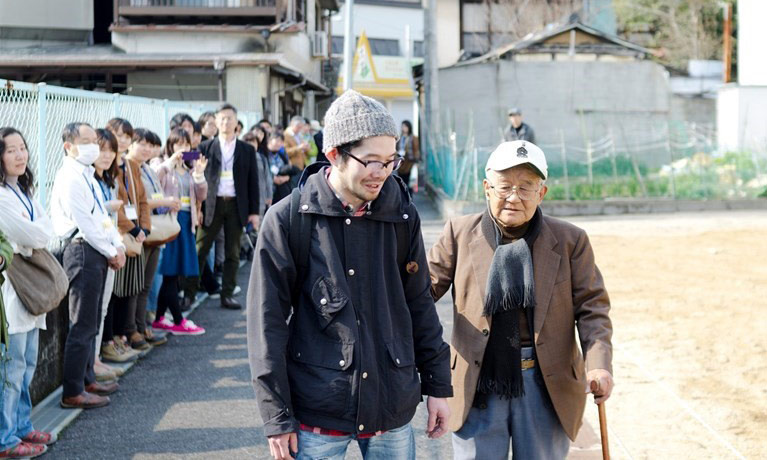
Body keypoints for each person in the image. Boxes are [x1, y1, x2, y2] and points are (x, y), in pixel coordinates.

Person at [247, 90, 452, 460]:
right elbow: (267, 324)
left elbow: (418, 302)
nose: (383, 173)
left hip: (391, 403)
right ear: (333, 154)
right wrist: (276, 417)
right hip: (318, 409)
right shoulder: (288, 219)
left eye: (391, 160)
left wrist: (438, 384)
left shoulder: (402, 214)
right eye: (371, 161)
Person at [427, 140, 613, 459]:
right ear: (487, 188)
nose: (514, 197)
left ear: (542, 193)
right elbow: (420, 293)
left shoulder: (570, 241)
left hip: (546, 383)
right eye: (505, 186)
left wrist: (599, 365)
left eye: (526, 187)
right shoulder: (458, 233)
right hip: (477, 380)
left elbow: (593, 309)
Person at [51, 122, 125, 409]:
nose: (94, 145)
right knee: (81, 323)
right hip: (82, 251)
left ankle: (87, 378)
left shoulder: (88, 176)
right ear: (69, 146)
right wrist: (111, 249)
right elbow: (85, 224)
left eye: (94, 140)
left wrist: (115, 244)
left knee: (92, 321)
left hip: (96, 250)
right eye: (86, 140)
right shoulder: (69, 177)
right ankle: (73, 390)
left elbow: (101, 219)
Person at [0, 128, 56, 458]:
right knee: (12, 367)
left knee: (28, 363)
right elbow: (26, 234)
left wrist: (31, 237)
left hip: (30, 291)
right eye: (11, 150)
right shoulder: (2, 195)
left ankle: (22, 426)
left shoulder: (23, 191)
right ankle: (6, 438)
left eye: (23, 148)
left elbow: (44, 232)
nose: (20, 155)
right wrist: (32, 237)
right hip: (12, 289)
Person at [184, 103, 260, 311]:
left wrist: (254, 213)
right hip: (211, 203)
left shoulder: (247, 150)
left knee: (232, 252)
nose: (226, 122)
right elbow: (184, 159)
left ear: (237, 123)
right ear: (216, 122)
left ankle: (227, 293)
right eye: (222, 118)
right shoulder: (204, 147)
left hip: (236, 204)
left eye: (230, 118)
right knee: (200, 248)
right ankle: (189, 293)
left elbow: (254, 182)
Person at [151, 128, 207, 335]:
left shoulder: (190, 169)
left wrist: (200, 174)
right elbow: (154, 180)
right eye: (178, 144)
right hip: (169, 222)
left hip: (186, 221)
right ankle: (177, 319)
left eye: (186, 145)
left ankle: (159, 318)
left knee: (173, 274)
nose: (183, 149)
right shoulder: (163, 165)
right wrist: (169, 162)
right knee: (170, 272)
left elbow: (202, 195)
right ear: (171, 146)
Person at [93, 129, 140, 367]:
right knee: (95, 310)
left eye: (110, 150)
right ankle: (98, 357)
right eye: (102, 149)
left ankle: (99, 357)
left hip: (113, 244)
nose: (107, 155)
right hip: (95, 248)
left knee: (104, 306)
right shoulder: (87, 180)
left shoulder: (109, 179)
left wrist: (118, 245)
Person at [125, 128, 176, 347]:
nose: (147, 149)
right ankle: (132, 330)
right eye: (142, 144)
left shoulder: (146, 168)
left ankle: (142, 326)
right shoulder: (128, 168)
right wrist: (165, 202)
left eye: (150, 145)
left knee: (145, 284)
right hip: (138, 232)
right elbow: (137, 203)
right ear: (130, 144)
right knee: (135, 285)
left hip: (152, 229)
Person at [266, 132, 300, 204]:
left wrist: (286, 177)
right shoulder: (263, 154)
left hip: (282, 189)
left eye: (281, 141)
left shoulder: (281, 154)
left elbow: (288, 168)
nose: (279, 143)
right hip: (268, 191)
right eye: (277, 140)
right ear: (269, 140)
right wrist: (273, 178)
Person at [396, 120, 419, 193]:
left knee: (409, 183)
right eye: (402, 126)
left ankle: (409, 199)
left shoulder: (413, 138)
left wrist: (416, 162)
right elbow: (397, 148)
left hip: (409, 163)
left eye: (405, 126)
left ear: (409, 127)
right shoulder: (400, 137)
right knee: (401, 182)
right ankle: (402, 198)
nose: (403, 128)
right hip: (401, 162)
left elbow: (416, 150)